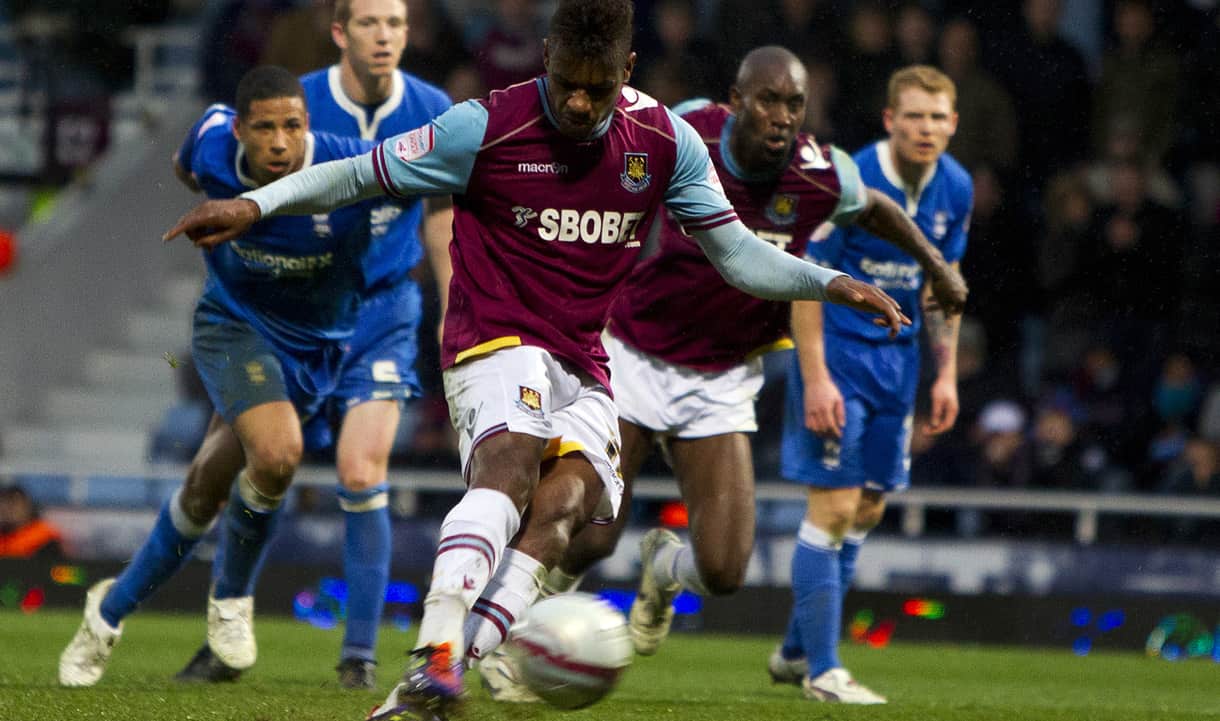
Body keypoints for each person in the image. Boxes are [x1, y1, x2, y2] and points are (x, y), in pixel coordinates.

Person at [161, 2, 911, 719]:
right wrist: (255, 205)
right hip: (492, 339)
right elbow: (359, 173)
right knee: (513, 466)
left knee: (567, 507)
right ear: (547, 58)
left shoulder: (664, 142)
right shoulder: (482, 127)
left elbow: (740, 256)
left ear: (629, 69)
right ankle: (435, 647)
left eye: (600, 88)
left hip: (584, 357)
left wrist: (832, 282)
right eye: (569, 85)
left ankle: (438, 677)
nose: (581, 105)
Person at [472, 45, 968, 703]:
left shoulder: (818, 173)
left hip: (723, 379)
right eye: (768, 100)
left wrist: (935, 265)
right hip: (633, 357)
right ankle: (508, 640)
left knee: (726, 568)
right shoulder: (683, 134)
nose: (783, 116)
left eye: (794, 103)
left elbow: (873, 207)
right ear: (734, 101)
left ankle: (662, 572)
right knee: (590, 531)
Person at [57, 66, 435, 689]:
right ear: (240, 129)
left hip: (320, 346)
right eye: (265, 128)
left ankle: (108, 610)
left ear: (309, 125)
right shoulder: (210, 143)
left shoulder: (348, 169)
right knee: (279, 452)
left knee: (207, 485)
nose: (280, 143)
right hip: (236, 328)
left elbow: (424, 192)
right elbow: (188, 166)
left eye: (292, 126)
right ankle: (230, 605)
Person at [176, 0, 454, 690]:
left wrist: (453, 303)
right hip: (293, 314)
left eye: (395, 22)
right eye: (369, 22)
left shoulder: (434, 107)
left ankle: (358, 656)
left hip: (384, 310)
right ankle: (222, 634)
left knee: (363, 471)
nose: (385, 35)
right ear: (340, 32)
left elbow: (443, 214)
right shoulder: (295, 107)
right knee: (230, 468)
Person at [769, 65, 972, 704]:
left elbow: (946, 284)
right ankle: (824, 673)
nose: (927, 129)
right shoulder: (851, 178)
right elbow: (807, 275)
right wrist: (817, 377)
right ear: (890, 120)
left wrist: (944, 374)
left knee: (870, 506)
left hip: (900, 365)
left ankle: (797, 648)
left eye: (938, 118)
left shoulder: (956, 187)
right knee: (831, 508)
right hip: (839, 360)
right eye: (914, 116)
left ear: (953, 124)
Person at [0, 485, 64, 559]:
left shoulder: (45, 539)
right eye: (5, 503)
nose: (9, 509)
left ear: (27, 506)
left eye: (14, 503)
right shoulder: (3, 536)